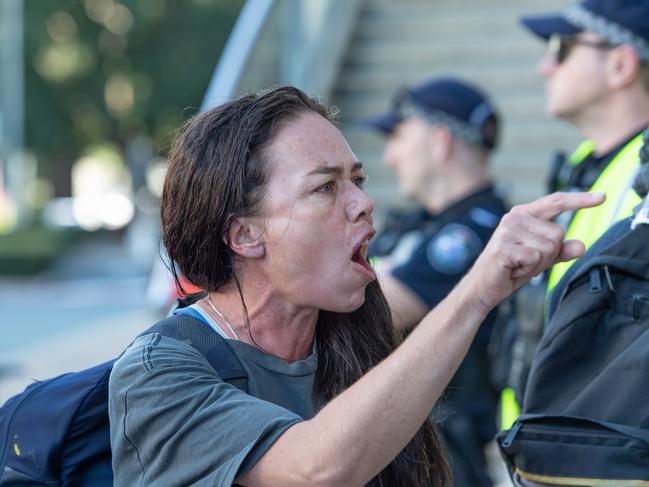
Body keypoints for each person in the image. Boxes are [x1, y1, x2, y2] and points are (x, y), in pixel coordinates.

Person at [108, 86, 603, 487]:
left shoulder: (351, 338)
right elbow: (316, 470)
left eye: (358, 180)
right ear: (244, 235)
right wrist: (476, 293)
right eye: (325, 188)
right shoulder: (158, 373)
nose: (362, 204)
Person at [496, 0, 649, 428]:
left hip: (602, 450)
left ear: (621, 64)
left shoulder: (641, 173)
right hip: (550, 443)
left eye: (561, 48)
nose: (546, 66)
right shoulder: (584, 164)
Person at [364, 77, 506, 487]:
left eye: (398, 136)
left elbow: (368, 310)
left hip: (445, 459)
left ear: (441, 140)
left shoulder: (475, 234)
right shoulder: (422, 226)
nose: (389, 157)